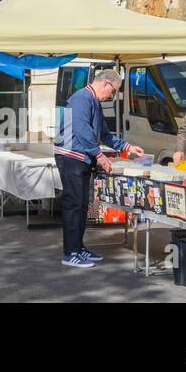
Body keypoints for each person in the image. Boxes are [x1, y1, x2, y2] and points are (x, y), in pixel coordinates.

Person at [53, 68, 144, 269]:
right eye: (113, 92)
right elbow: (82, 129)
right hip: (71, 157)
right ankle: (70, 252)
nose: (112, 96)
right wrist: (100, 155)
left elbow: (104, 133)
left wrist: (128, 147)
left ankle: (78, 247)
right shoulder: (81, 98)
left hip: (82, 158)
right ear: (105, 84)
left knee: (82, 205)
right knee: (74, 205)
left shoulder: (93, 101)